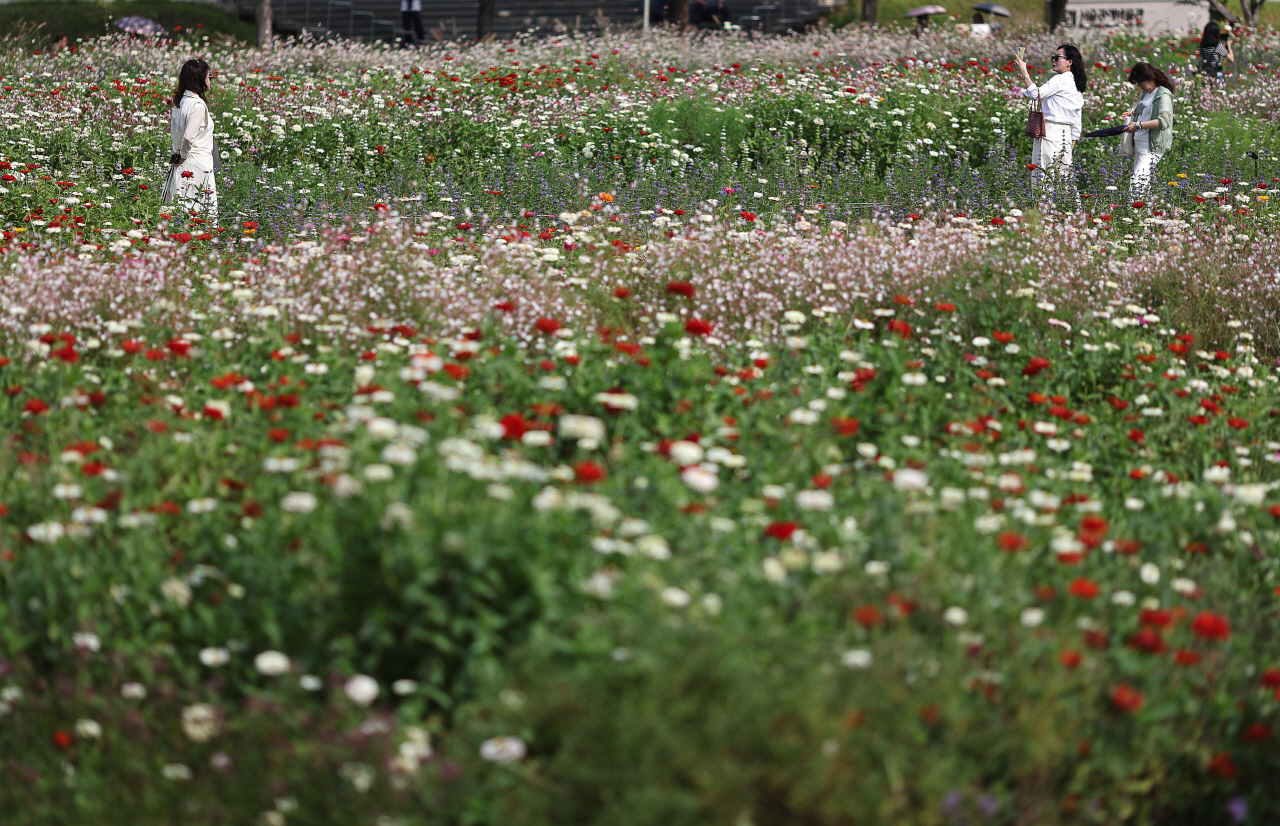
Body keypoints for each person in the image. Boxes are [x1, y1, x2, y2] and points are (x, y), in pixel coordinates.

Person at [1014, 44, 1086, 184]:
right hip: (1066, 135)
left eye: (1057, 57)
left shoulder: (1059, 80)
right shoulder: (1076, 83)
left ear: (1069, 62)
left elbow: (1035, 94)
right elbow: (1077, 119)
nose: (1053, 60)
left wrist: (1024, 72)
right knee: (1064, 180)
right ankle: (1071, 205)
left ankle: (1043, 206)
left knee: (1043, 177)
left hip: (1050, 132)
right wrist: (1071, 145)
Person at [162, 58, 218, 220]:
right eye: (209, 76)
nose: (209, 80)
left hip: (181, 161)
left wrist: (180, 154)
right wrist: (184, 154)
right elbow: (188, 137)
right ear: (200, 79)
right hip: (196, 164)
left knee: (180, 207)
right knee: (197, 210)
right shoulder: (197, 106)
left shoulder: (181, 102)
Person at [1122, 62, 1174, 196]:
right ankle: (1149, 213)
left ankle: (1132, 213)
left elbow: (1164, 121)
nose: (1141, 87)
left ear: (1150, 78)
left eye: (1141, 84)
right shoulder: (1146, 94)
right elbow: (1144, 111)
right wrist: (1133, 114)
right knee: (1144, 184)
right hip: (1140, 143)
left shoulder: (1163, 95)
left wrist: (1138, 125)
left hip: (1152, 146)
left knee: (1137, 183)